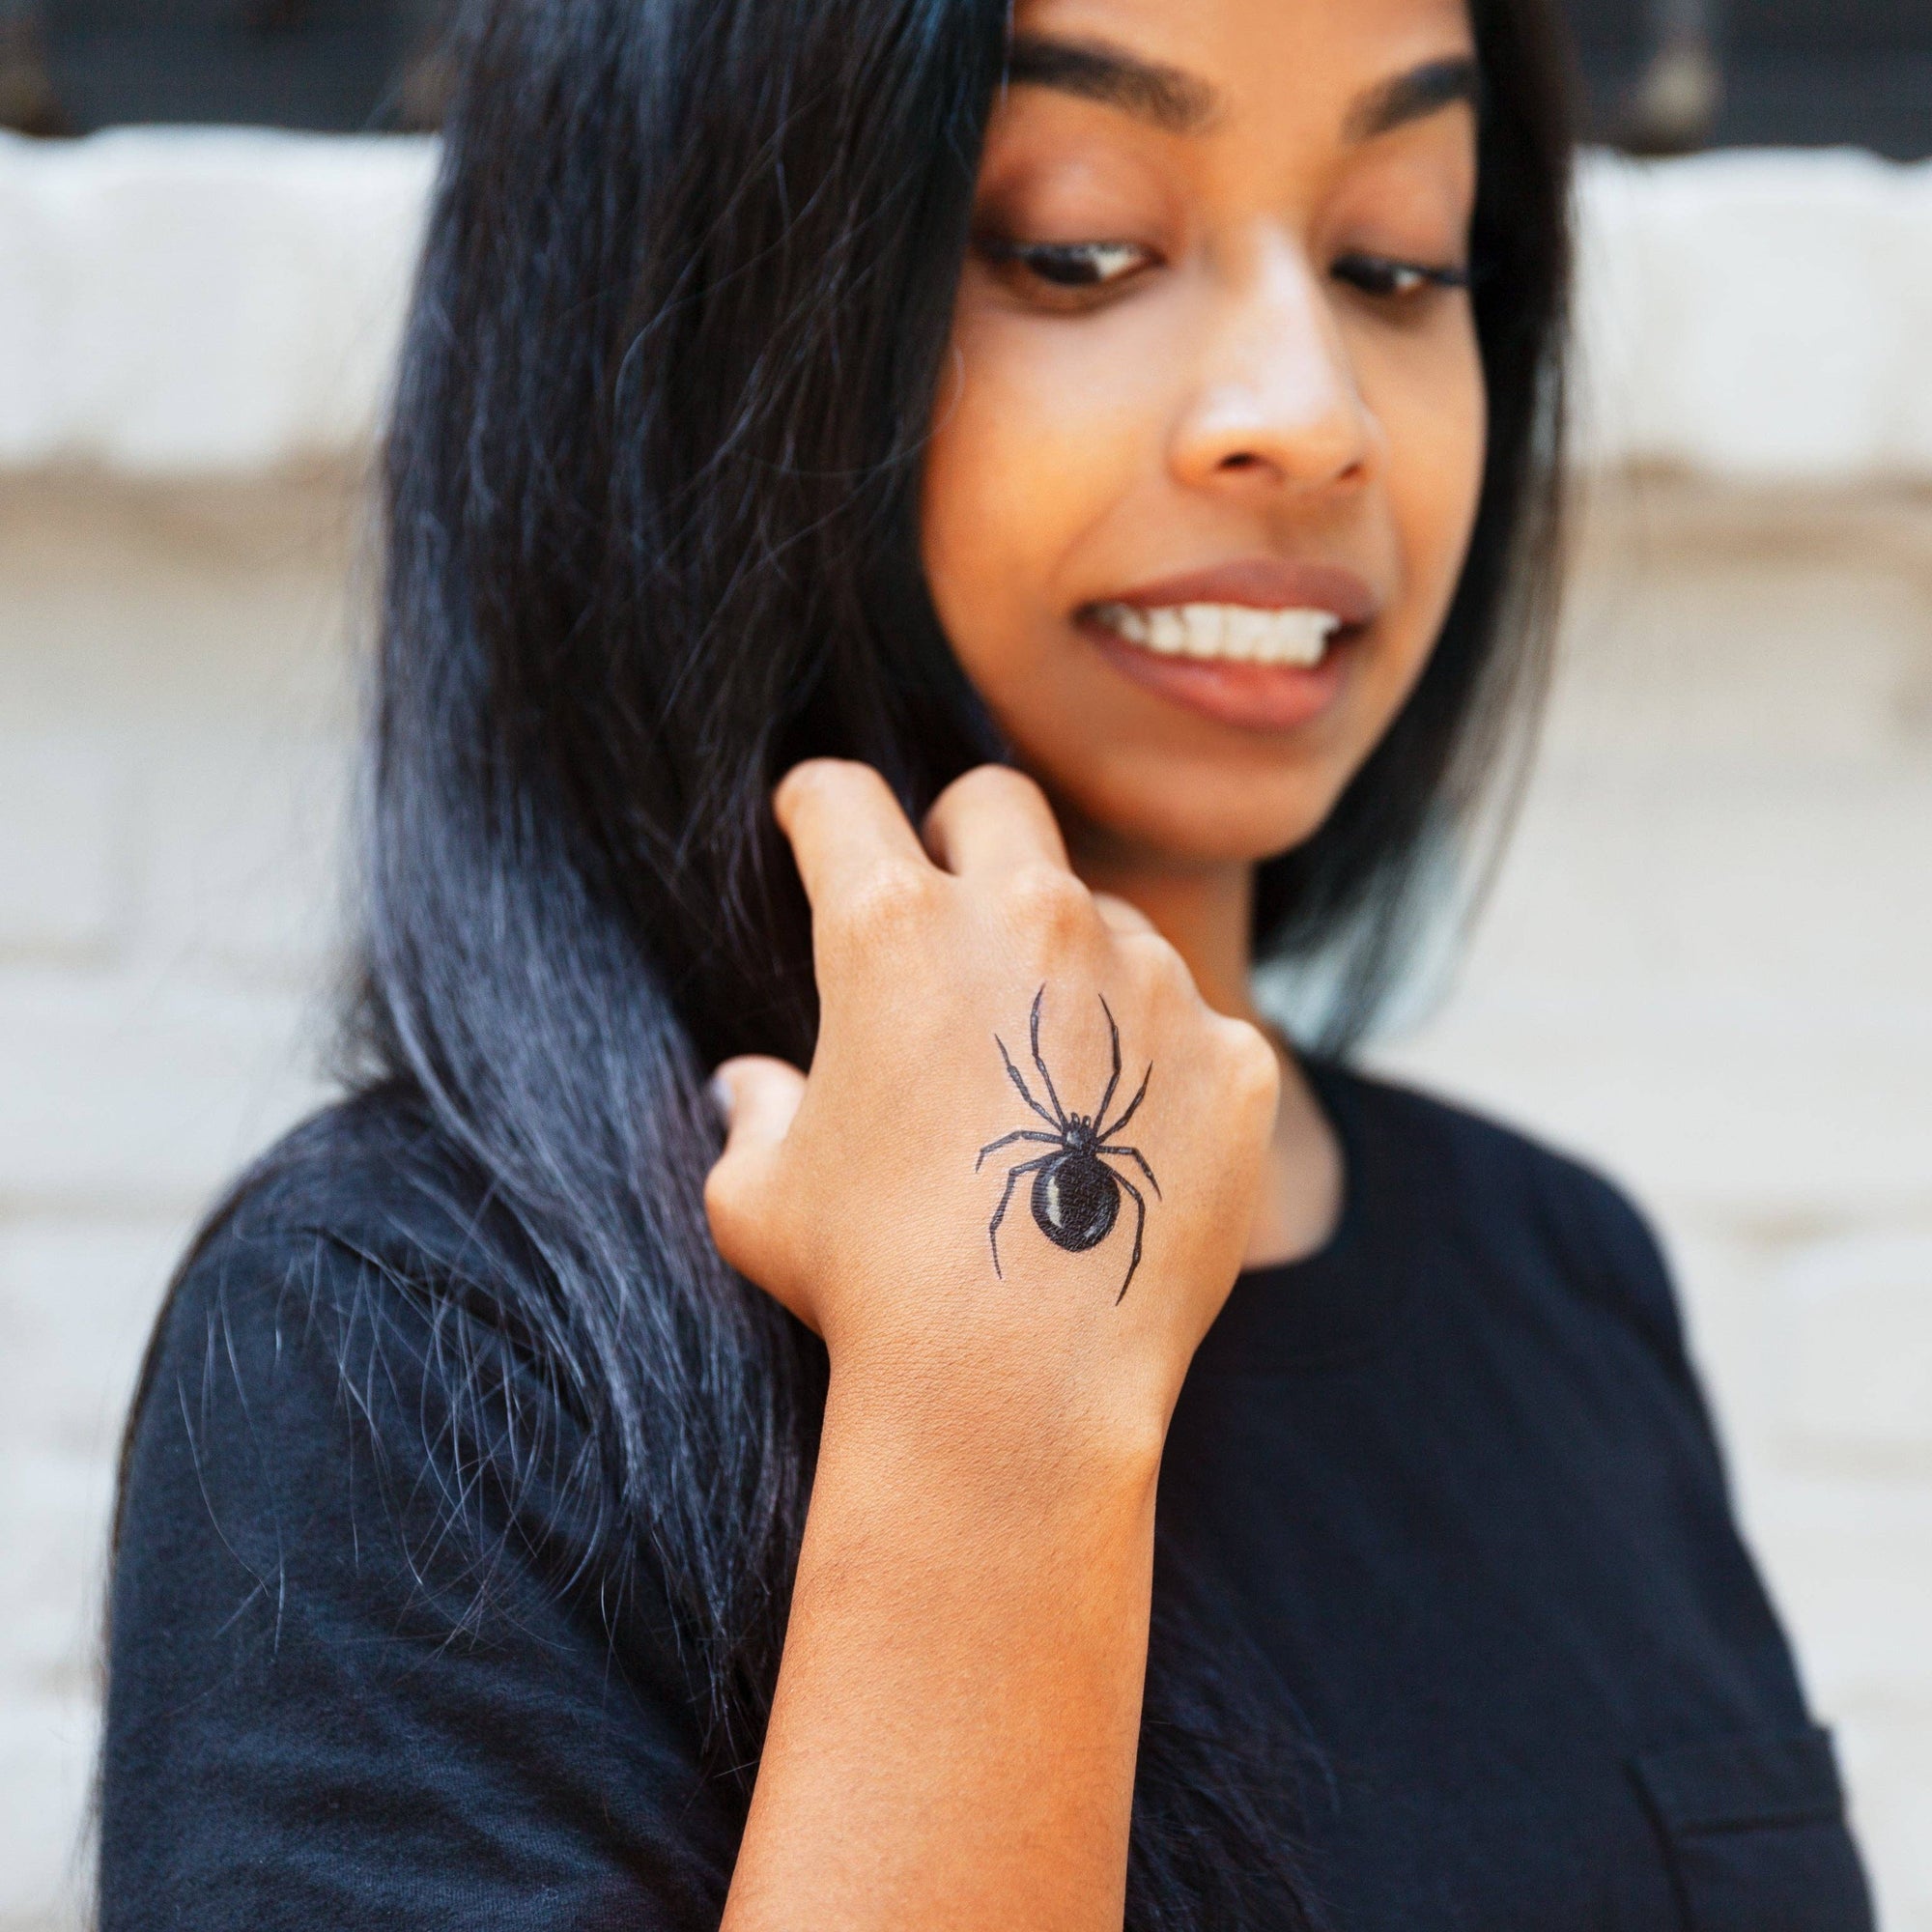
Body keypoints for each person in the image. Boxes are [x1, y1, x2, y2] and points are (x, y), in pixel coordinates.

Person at [99, 0, 1876, 1925]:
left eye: (1394, 261)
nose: (1312, 413)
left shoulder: (1562, 1282)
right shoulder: (410, 1353)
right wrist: (992, 1434)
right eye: (1077, 249)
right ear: (704, 302)